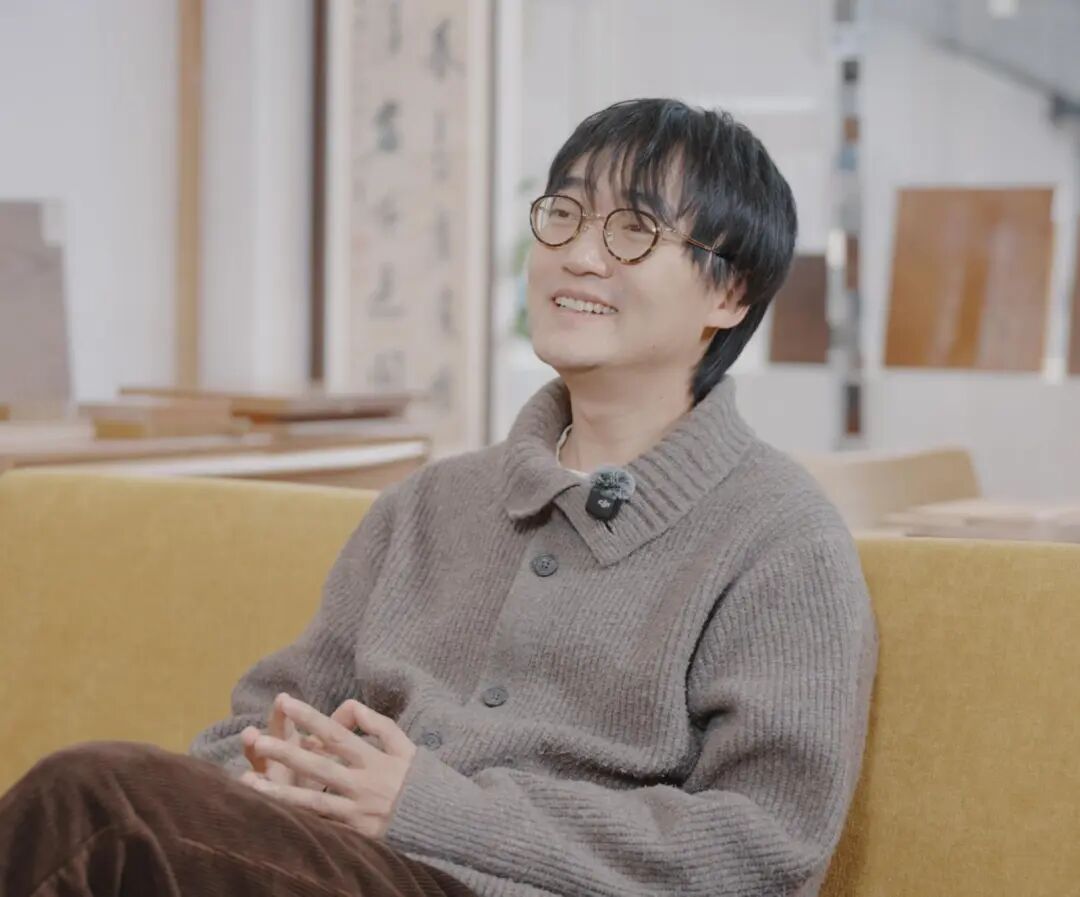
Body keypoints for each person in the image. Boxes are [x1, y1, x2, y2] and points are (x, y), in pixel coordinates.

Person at [0, 98, 877, 897]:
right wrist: (281, 776)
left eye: (634, 230)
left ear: (728, 291)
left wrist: (430, 808)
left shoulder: (779, 538)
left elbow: (764, 849)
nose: (579, 254)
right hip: (336, 866)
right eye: (564, 214)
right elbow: (250, 732)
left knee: (97, 805)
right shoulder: (429, 503)